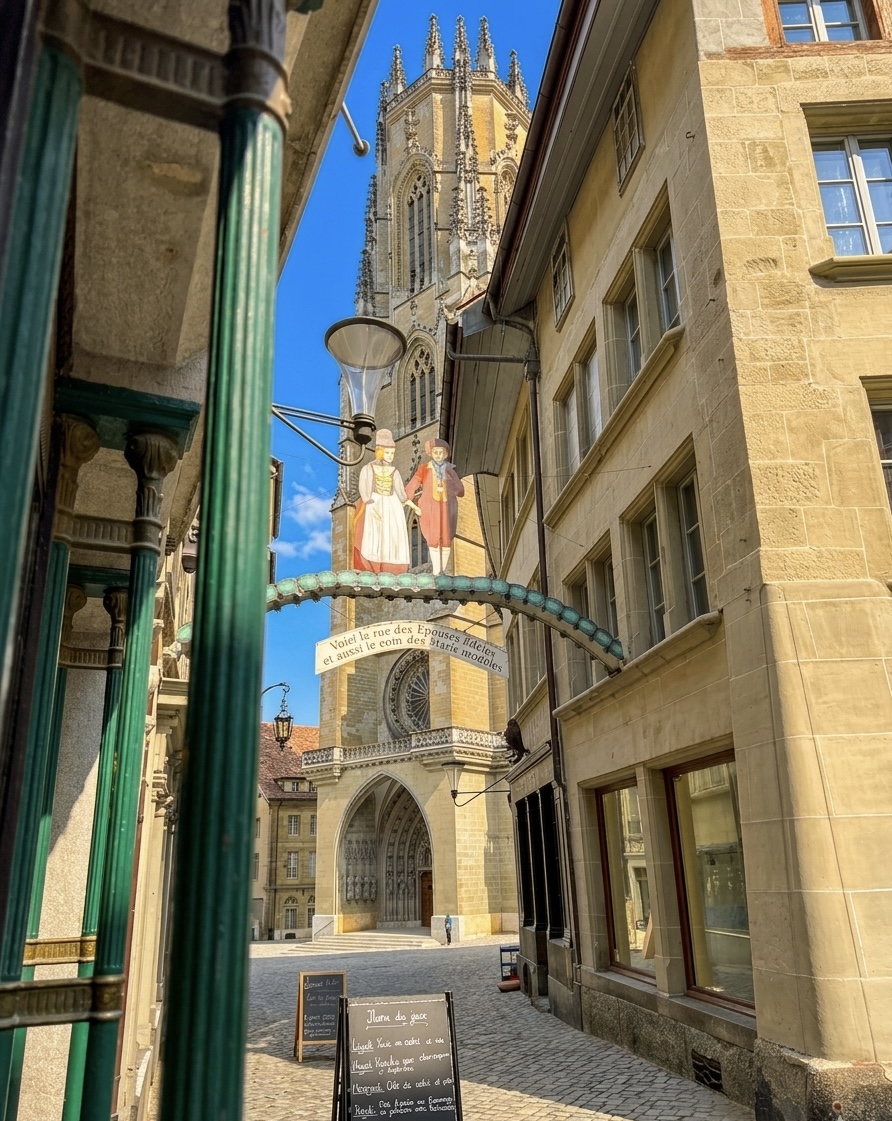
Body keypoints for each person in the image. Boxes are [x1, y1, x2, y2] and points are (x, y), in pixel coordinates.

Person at [353, 430, 420, 574]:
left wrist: (413, 506)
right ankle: (373, 566)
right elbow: (364, 490)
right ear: (380, 452)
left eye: (392, 453)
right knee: (375, 537)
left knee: (392, 535)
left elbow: (401, 493)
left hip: (392, 505)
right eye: (388, 453)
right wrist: (371, 505)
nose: (390, 456)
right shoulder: (368, 468)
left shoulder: (394, 471)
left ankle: (392, 568)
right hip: (374, 503)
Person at [405, 439, 464, 575]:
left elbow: (460, 489)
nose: (438, 455)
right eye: (435, 452)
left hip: (446, 507)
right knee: (433, 537)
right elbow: (414, 482)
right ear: (431, 453)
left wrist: (450, 490)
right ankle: (437, 571)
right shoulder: (424, 469)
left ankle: (443, 570)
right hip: (430, 506)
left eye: (441, 452)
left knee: (446, 537)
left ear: (445, 454)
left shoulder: (450, 469)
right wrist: (407, 497)